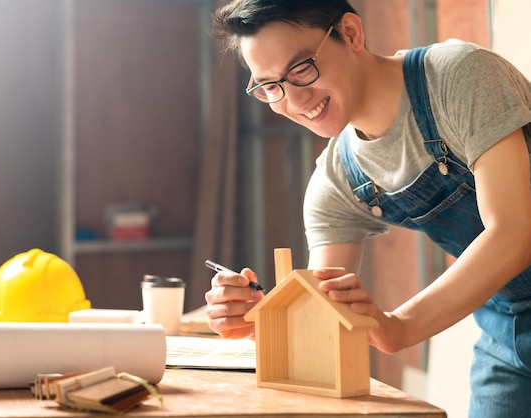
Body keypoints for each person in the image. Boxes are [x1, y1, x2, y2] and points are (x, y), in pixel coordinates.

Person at [203, 1, 531, 416]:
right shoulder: (337, 182)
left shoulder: (459, 76)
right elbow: (327, 316)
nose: (294, 99)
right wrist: (261, 322)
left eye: (302, 68)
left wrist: (398, 327)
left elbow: (515, 233)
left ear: (352, 33)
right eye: (270, 87)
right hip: (508, 328)